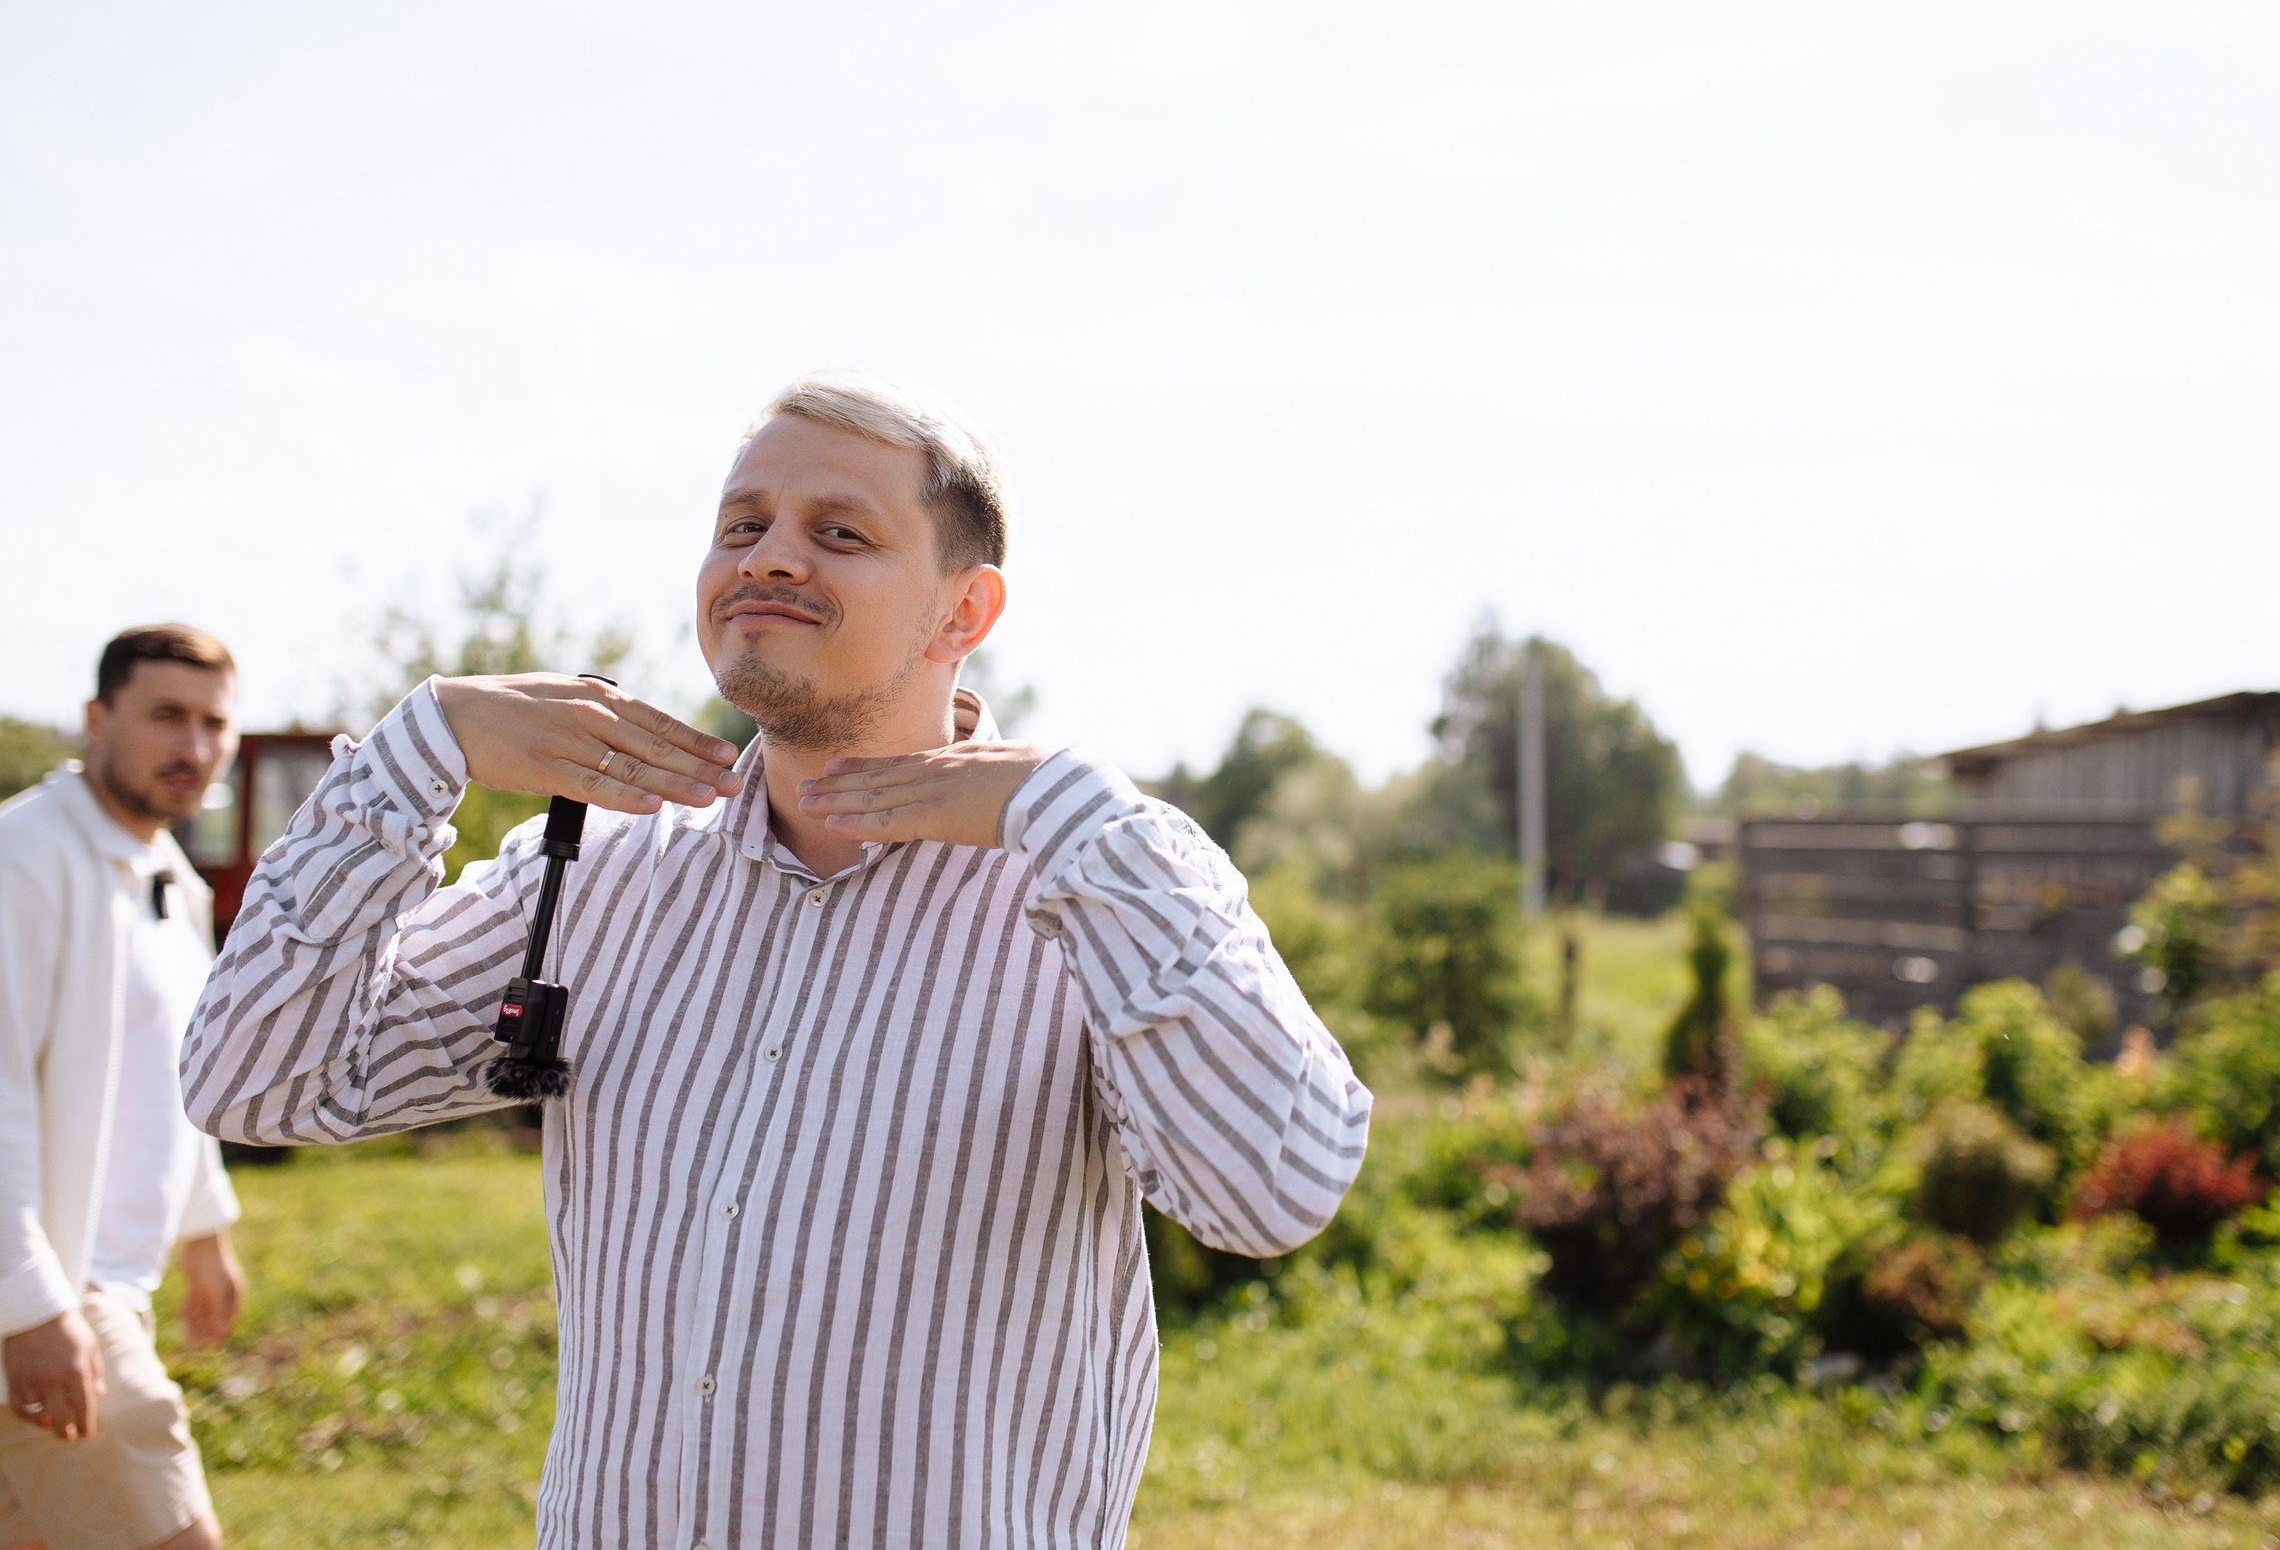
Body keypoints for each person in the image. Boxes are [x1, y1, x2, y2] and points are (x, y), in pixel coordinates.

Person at [184, 371, 1371, 1549]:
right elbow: (253, 1085)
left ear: (964, 613)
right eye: (740, 527)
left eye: (837, 533)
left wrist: (1079, 821)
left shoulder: (1099, 882)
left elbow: (1272, 1191)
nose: (768, 558)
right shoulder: (602, 873)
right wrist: (413, 753)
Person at [0, 626, 248, 1550]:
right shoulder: (22, 856)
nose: (191, 748)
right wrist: (26, 1304)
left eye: (213, 723)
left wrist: (203, 1227)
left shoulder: (169, 879)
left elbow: (181, 1069)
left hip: (102, 1289)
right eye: (165, 716)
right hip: (52, 1295)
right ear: (98, 720)